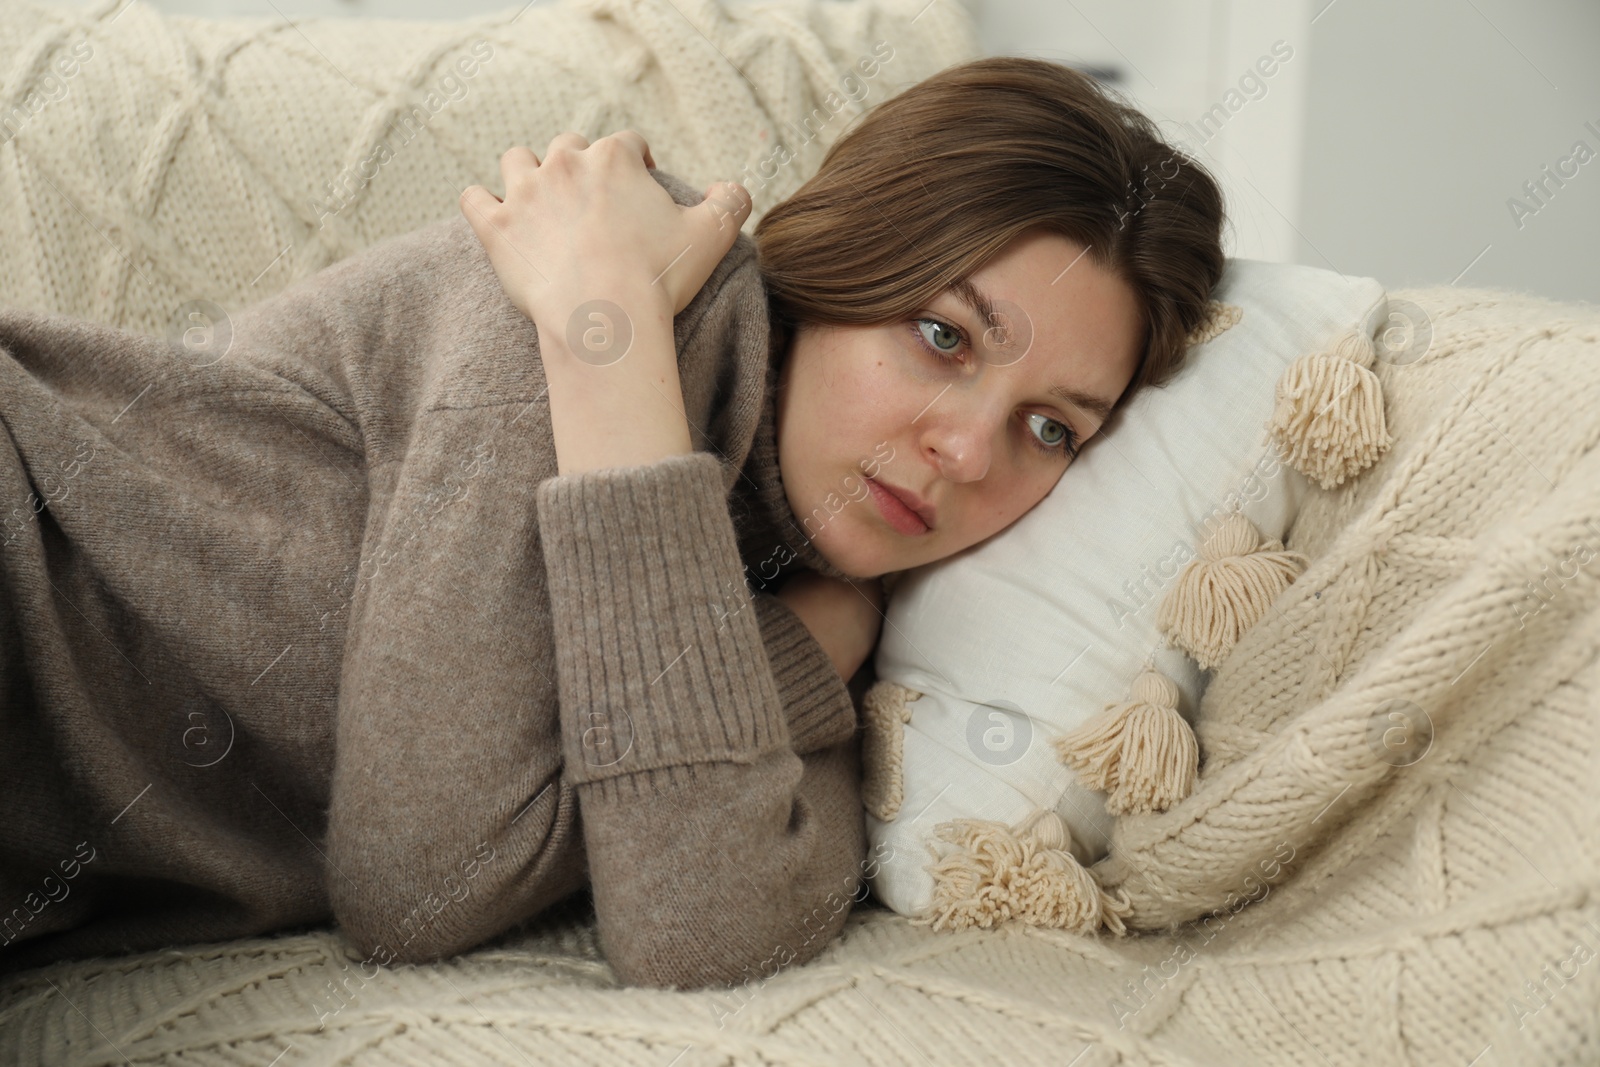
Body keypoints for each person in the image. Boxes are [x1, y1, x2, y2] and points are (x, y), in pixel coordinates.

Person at [0, 56, 1223, 991]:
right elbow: (420, 877)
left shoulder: (852, 614)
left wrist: (817, 636)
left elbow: (706, 923)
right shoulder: (622, 278)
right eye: (945, 335)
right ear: (846, 257)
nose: (968, 450)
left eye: (1052, 428)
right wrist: (614, 349)